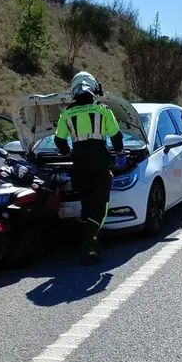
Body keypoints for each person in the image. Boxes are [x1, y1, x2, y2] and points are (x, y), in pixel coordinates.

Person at [53, 71, 124, 266]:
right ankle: (88, 246)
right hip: (100, 163)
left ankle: (91, 243)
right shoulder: (102, 109)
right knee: (101, 208)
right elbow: (116, 136)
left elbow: (59, 140)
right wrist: (119, 154)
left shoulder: (67, 113)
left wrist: (67, 151)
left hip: (79, 165)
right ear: (93, 88)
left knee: (86, 206)